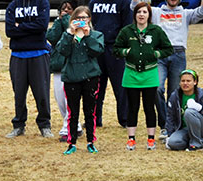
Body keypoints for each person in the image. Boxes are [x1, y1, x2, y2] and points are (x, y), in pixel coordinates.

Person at [113, 2, 172, 150]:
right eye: (139, 12)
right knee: (132, 108)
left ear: (149, 15)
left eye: (145, 12)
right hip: (131, 74)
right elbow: (116, 49)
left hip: (150, 74)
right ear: (135, 15)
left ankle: (151, 139)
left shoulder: (156, 31)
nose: (141, 15)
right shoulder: (127, 31)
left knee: (149, 108)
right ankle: (131, 139)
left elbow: (168, 49)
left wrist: (157, 54)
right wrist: (125, 52)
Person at [141, 0, 203, 137]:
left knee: (175, 93)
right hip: (159, 54)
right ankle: (164, 125)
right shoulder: (156, 12)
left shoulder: (186, 14)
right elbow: (136, 7)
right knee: (156, 88)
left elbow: (201, 12)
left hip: (178, 54)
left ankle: (173, 127)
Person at [57, 5, 103, 155]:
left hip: (90, 77)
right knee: (73, 112)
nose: (81, 21)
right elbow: (62, 50)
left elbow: (97, 51)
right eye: (78, 18)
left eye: (84, 18)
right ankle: (71, 143)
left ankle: (91, 141)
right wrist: (70, 33)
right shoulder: (67, 35)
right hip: (71, 77)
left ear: (89, 19)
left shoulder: (96, 35)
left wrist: (88, 36)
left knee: (90, 111)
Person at [4, 0, 52, 138]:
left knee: (42, 93)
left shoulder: (43, 3)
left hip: (39, 54)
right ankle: (18, 125)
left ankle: (44, 125)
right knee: (19, 93)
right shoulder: (13, 5)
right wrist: (31, 28)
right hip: (18, 55)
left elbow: (42, 25)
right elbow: (10, 31)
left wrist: (21, 26)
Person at [89, 0, 131, 128]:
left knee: (120, 85)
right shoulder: (94, 2)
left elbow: (127, 25)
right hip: (98, 47)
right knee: (95, 85)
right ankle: (95, 118)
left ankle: (125, 119)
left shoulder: (124, 2)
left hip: (115, 48)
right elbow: (92, 22)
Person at [47, 0, 76, 141]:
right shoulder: (57, 23)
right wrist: (60, 21)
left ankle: (67, 128)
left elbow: (71, 37)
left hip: (71, 66)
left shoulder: (78, 25)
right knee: (59, 100)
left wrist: (67, 21)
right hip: (58, 66)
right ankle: (75, 126)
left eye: (69, 9)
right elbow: (51, 37)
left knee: (68, 98)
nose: (66, 11)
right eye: (63, 9)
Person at [164, 68, 203, 150]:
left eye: (188, 81)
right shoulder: (175, 96)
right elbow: (170, 117)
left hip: (200, 128)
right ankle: (194, 141)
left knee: (189, 112)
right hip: (184, 129)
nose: (185, 83)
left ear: (195, 82)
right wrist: (169, 135)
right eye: (183, 81)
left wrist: (200, 109)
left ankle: (196, 144)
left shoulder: (201, 95)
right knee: (173, 143)